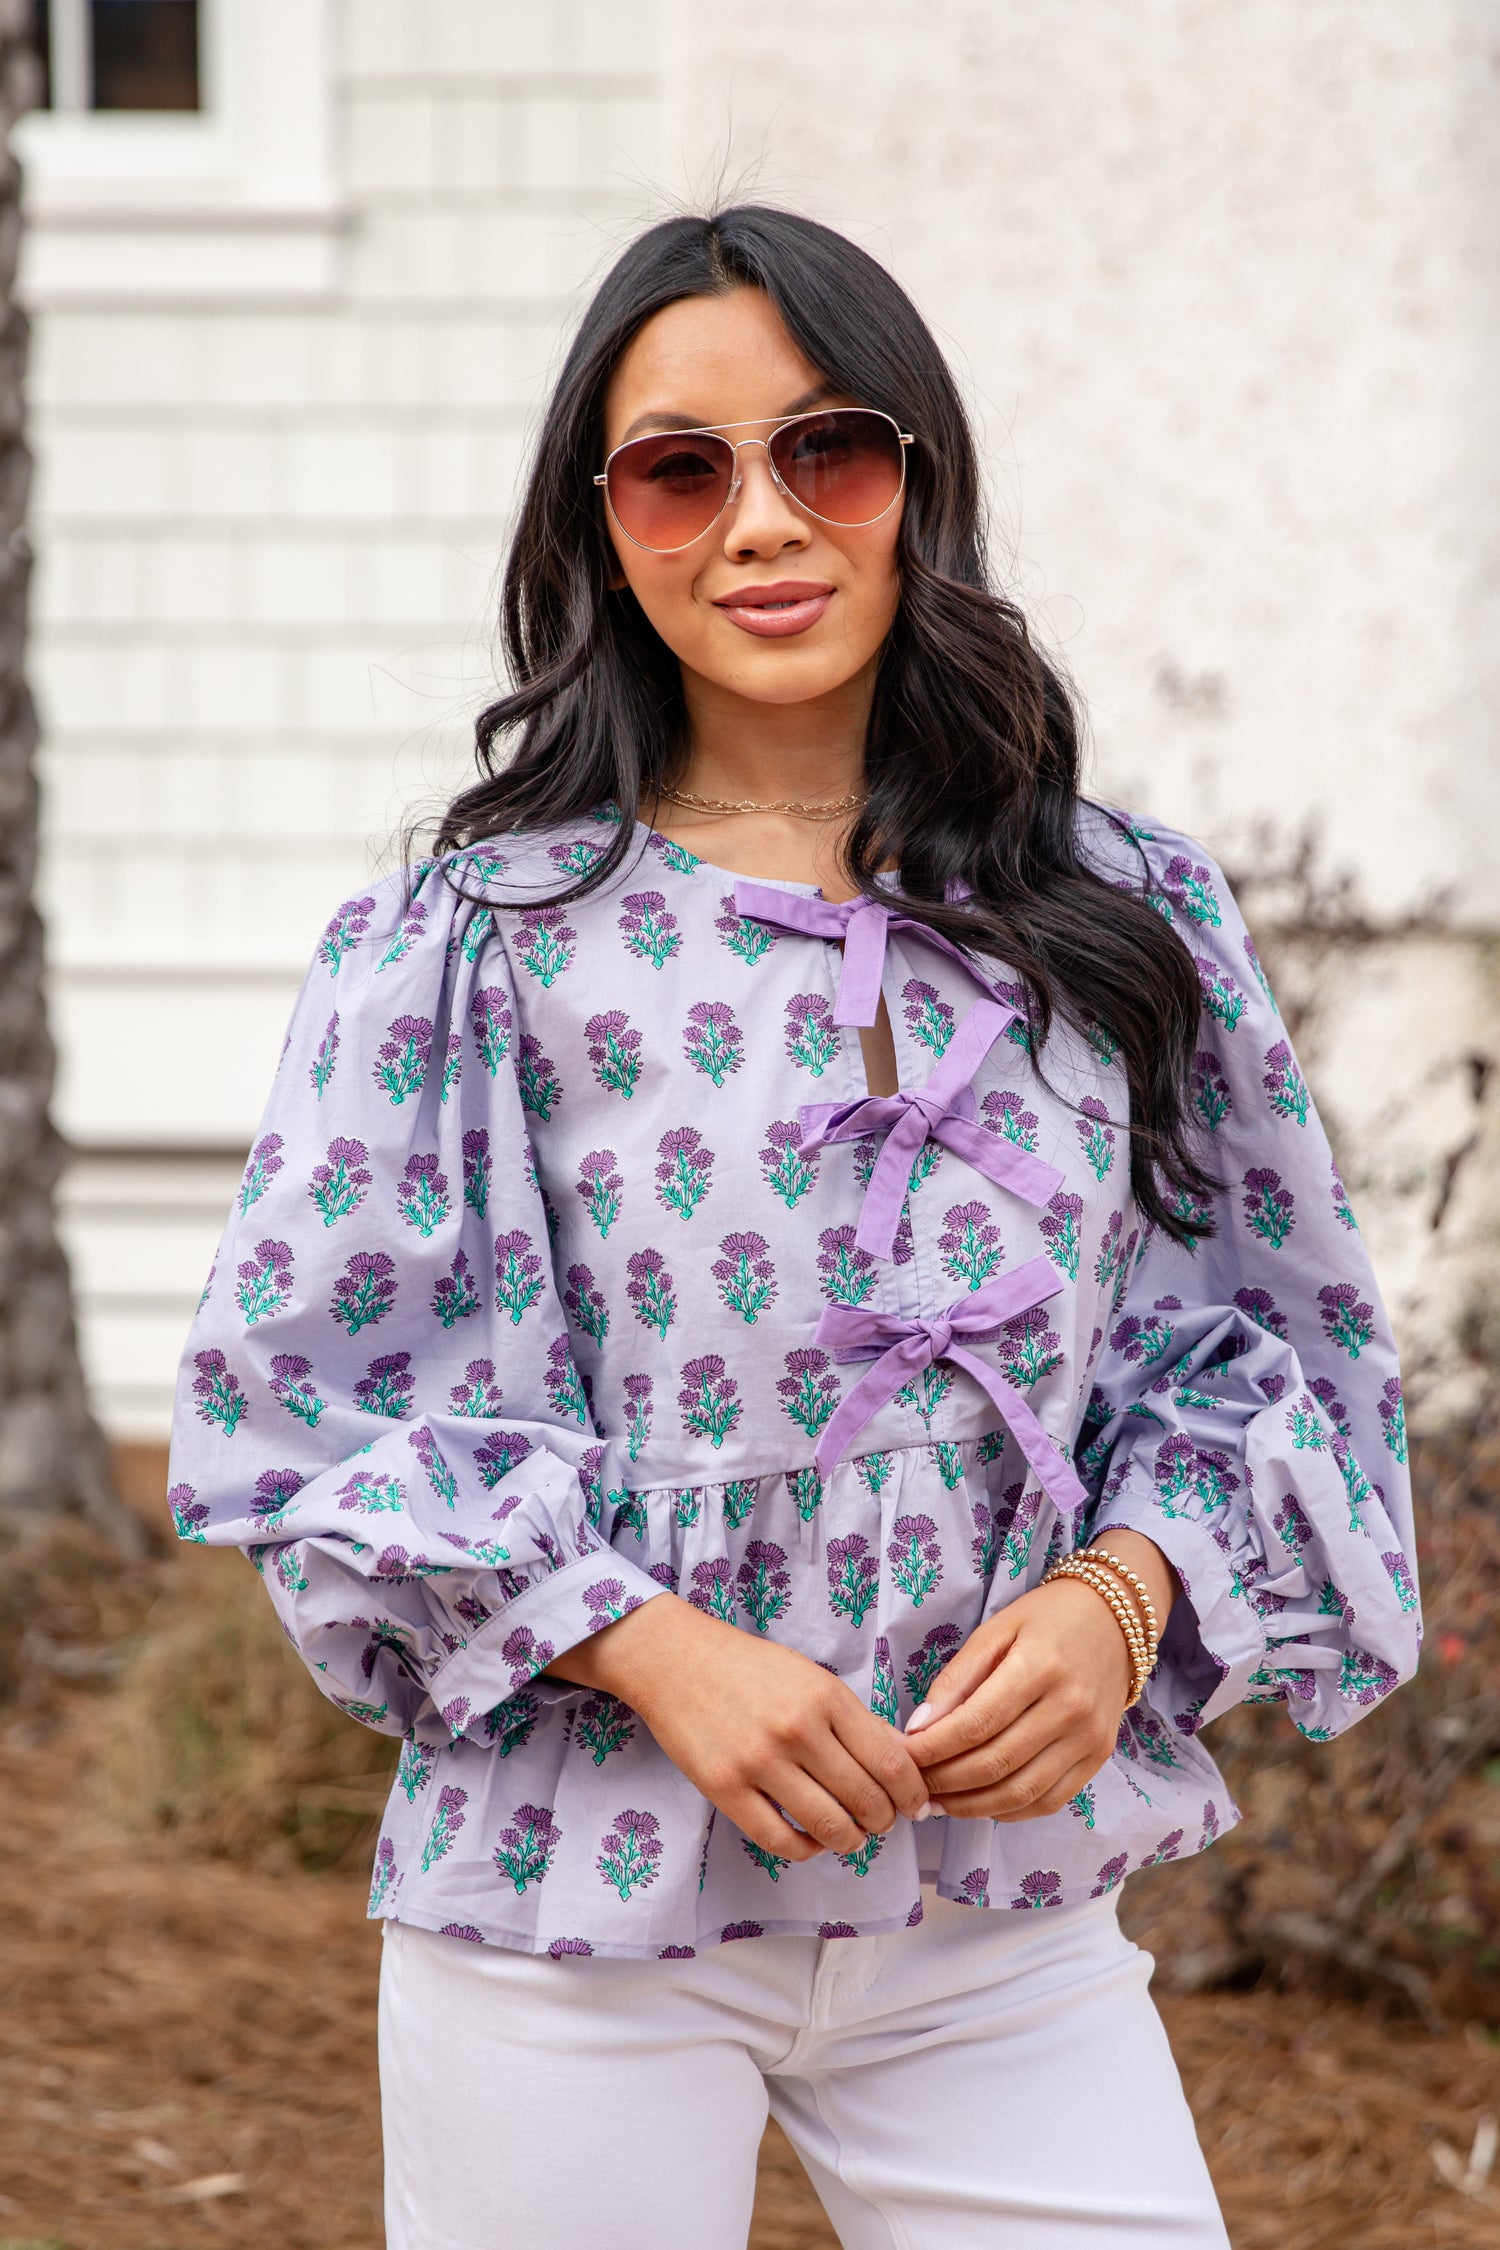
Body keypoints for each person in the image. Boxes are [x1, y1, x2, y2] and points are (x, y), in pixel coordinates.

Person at [167, 207, 1420, 2248]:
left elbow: (1274, 1349)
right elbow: (297, 1414)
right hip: (573, 1901)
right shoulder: (470, 950)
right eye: (683, 467)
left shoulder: (1127, 913)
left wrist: (1127, 1600)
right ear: (604, 526)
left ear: (918, 479)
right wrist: (655, 1650)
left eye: (824, 450)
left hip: (997, 1911)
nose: (761, 521)